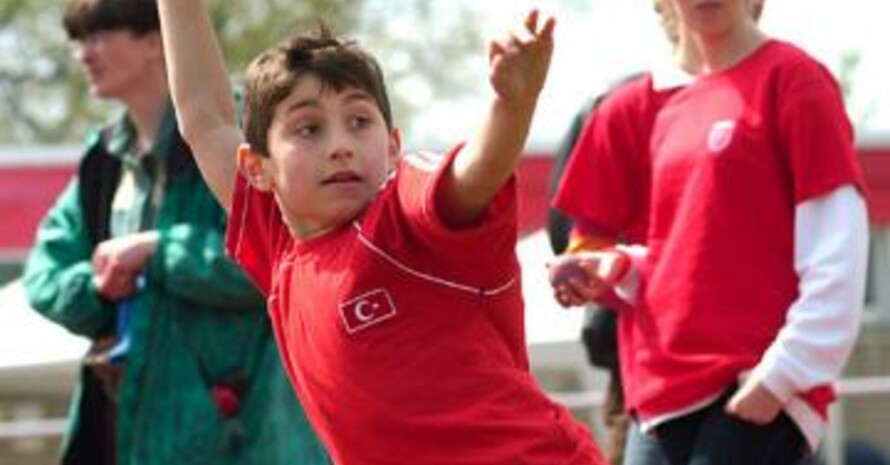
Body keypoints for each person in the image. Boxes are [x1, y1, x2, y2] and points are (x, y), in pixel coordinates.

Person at [155, 1, 606, 464]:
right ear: (257, 167)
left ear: (392, 145)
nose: (340, 147)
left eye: (359, 122)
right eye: (308, 129)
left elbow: (473, 176)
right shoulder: (278, 248)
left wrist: (511, 105)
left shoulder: (401, 213)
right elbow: (205, 119)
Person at [550, 0, 868, 464]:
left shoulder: (794, 79)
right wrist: (611, 269)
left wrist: (781, 377)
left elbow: (838, 247)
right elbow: (666, 258)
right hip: (655, 402)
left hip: (754, 389)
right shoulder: (629, 107)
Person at [22, 0, 330, 463]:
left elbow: (293, 259)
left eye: (99, 34)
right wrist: (98, 287)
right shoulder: (102, 160)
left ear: (154, 39)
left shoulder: (251, 136)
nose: (83, 54)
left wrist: (161, 252)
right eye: (78, 40)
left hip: (253, 435)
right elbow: (43, 277)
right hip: (126, 434)